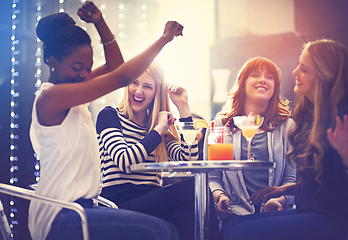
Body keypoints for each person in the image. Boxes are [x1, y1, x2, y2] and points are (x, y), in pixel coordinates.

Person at [28, 2, 183, 240]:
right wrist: (164, 38)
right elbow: (122, 76)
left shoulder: (75, 94)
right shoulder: (52, 98)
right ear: (52, 61)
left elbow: (114, 66)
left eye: (88, 68)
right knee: (158, 231)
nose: (84, 74)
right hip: (60, 213)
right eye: (77, 67)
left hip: (84, 208)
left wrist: (100, 22)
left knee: (171, 229)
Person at [224, 39, 348, 240]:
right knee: (233, 226)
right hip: (311, 209)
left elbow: (337, 190)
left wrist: (346, 156)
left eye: (304, 69)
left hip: (334, 218)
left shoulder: (342, 118)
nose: (294, 73)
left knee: (240, 232)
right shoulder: (311, 116)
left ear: (326, 76)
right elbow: (322, 181)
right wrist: (284, 189)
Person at [96, 61, 222, 240]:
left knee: (186, 215)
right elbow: (124, 161)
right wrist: (158, 130)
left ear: (156, 92)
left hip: (152, 202)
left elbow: (190, 160)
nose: (139, 91)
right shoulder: (109, 116)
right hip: (119, 203)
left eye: (147, 86)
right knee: (195, 189)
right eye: (135, 83)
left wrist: (184, 109)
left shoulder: (158, 128)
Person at [204, 57, 296, 223]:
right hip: (236, 214)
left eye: (269, 77)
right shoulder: (221, 125)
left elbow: (292, 178)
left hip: (277, 212)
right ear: (243, 84)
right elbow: (213, 176)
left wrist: (278, 200)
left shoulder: (287, 126)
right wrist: (220, 197)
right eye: (255, 75)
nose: (263, 80)